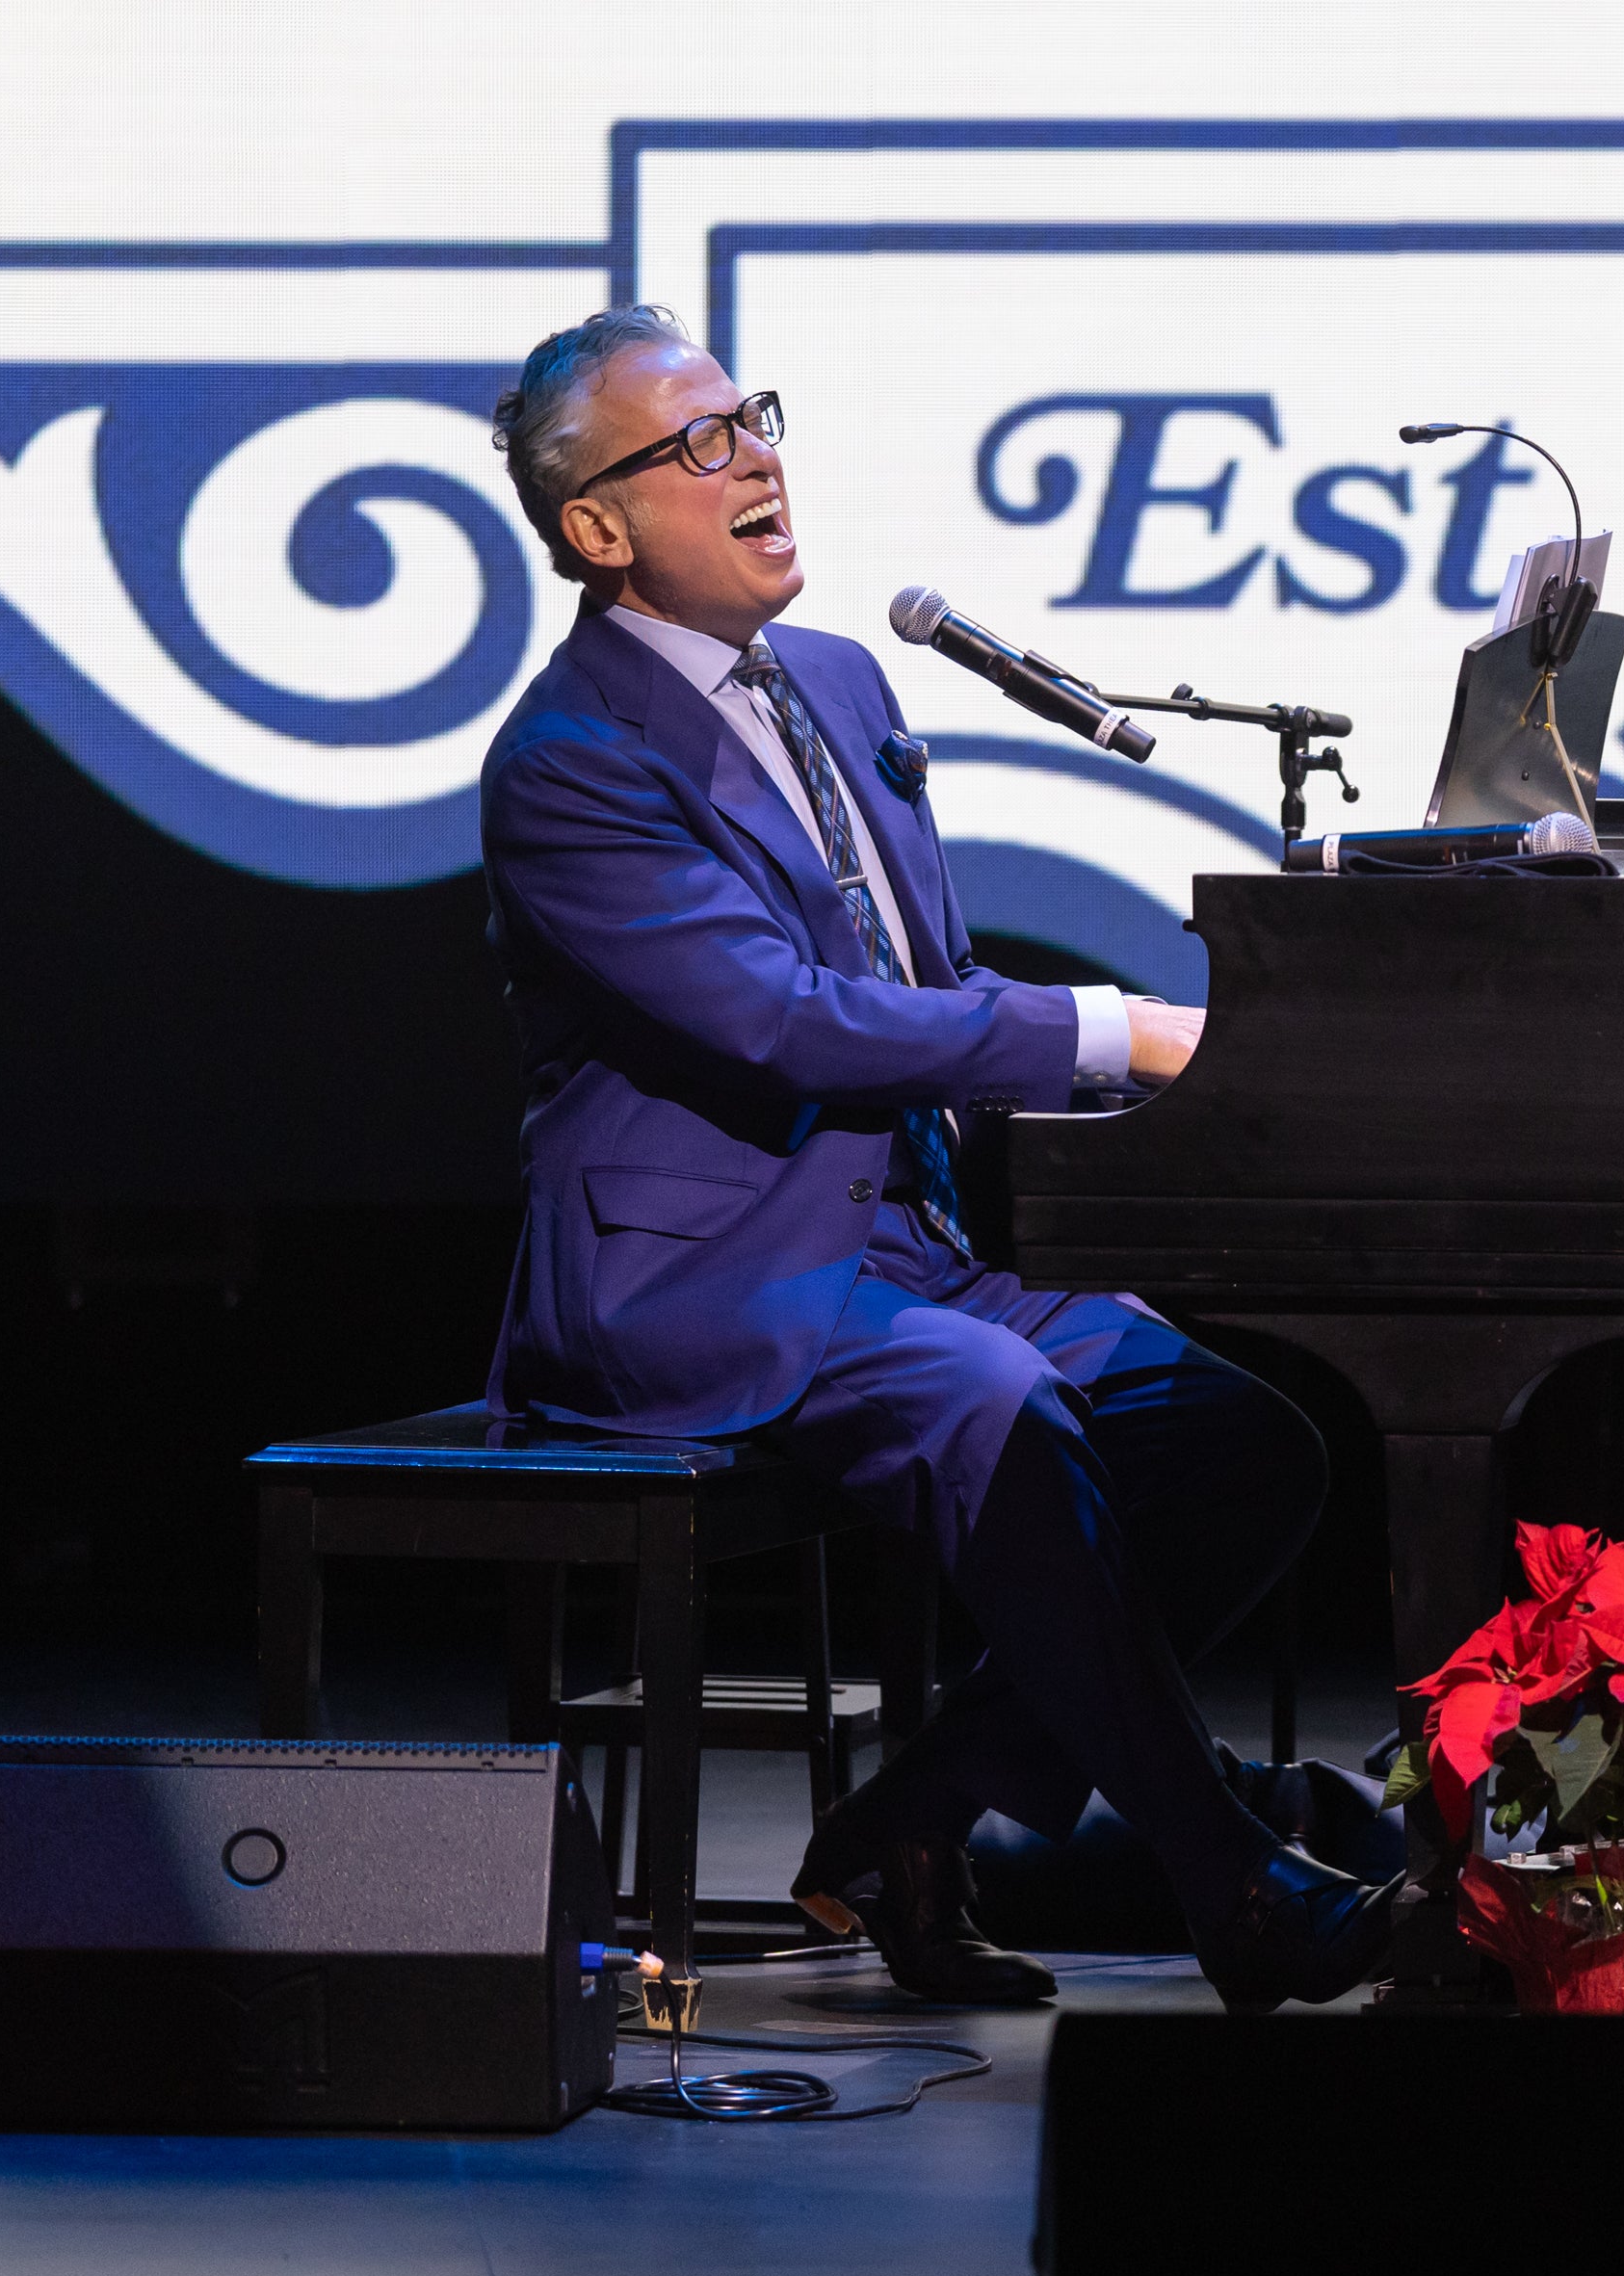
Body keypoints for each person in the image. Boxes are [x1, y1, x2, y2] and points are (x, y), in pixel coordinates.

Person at [474, 304, 1391, 2011]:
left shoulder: (839, 679)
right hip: (701, 1280)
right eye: (696, 442)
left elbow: (925, 976)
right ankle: (1233, 1882)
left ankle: (912, 1817)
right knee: (998, 1404)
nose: (753, 456)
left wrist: (1150, 1114)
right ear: (596, 527)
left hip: (912, 1254)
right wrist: (1114, 1030)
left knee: (1242, 1441)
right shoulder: (570, 760)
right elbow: (781, 1020)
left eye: (751, 415)